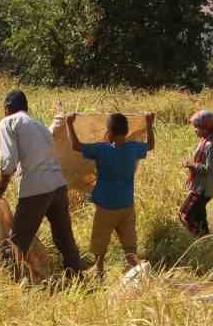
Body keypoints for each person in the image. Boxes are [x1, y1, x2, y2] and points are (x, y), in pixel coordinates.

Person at [0, 90, 86, 278]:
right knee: (64, 238)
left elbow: (8, 162)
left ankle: (6, 283)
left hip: (36, 189)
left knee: (18, 240)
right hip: (58, 187)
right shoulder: (38, 125)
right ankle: (77, 277)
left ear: (7, 108)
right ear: (26, 107)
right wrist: (59, 116)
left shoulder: (8, 122)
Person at [65, 110, 155, 279]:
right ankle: (139, 272)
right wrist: (149, 124)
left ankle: (99, 272)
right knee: (129, 245)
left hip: (106, 207)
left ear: (109, 134)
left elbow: (76, 146)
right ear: (127, 132)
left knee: (100, 243)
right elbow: (150, 145)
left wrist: (69, 124)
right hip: (127, 205)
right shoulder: (133, 148)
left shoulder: (102, 149)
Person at [181, 109, 213, 237]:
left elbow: (209, 169)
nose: (195, 130)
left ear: (205, 128)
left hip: (203, 190)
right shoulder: (204, 141)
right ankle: (206, 240)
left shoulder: (211, 145)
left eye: (197, 127)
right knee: (200, 218)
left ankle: (197, 240)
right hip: (200, 187)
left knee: (186, 215)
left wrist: (191, 165)